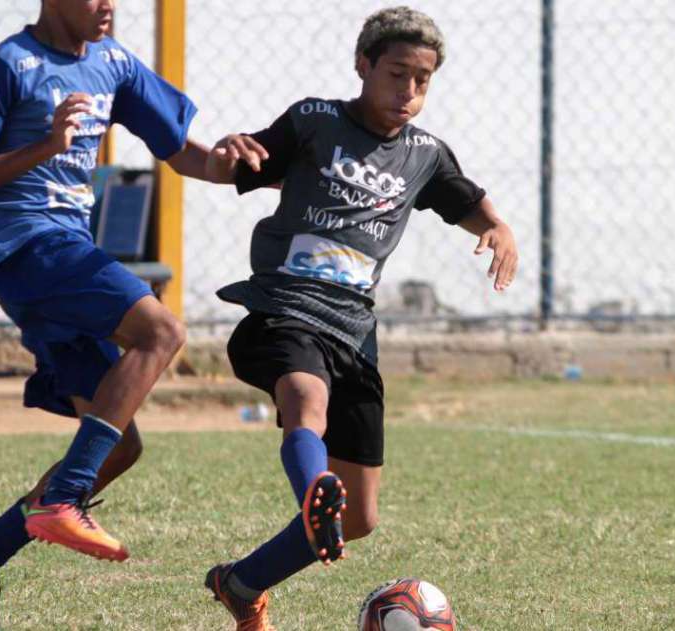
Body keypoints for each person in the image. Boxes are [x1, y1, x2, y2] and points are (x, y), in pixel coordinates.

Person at [0, 1, 265, 629]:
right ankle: (60, 498)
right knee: (163, 331)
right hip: (25, 244)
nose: (109, 3)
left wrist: (233, 165)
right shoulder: (8, 66)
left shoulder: (114, 63)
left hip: (66, 250)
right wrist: (45, 145)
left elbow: (183, 153)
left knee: (120, 445)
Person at [200, 7, 520, 629]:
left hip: (354, 331)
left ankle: (241, 583)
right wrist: (224, 155)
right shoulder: (315, 121)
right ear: (364, 65)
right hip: (285, 309)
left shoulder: (424, 154)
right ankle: (311, 495)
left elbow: (467, 200)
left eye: (422, 81)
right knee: (303, 399)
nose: (409, 91)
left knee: (361, 518)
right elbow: (237, 166)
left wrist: (499, 228)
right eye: (397, 73)